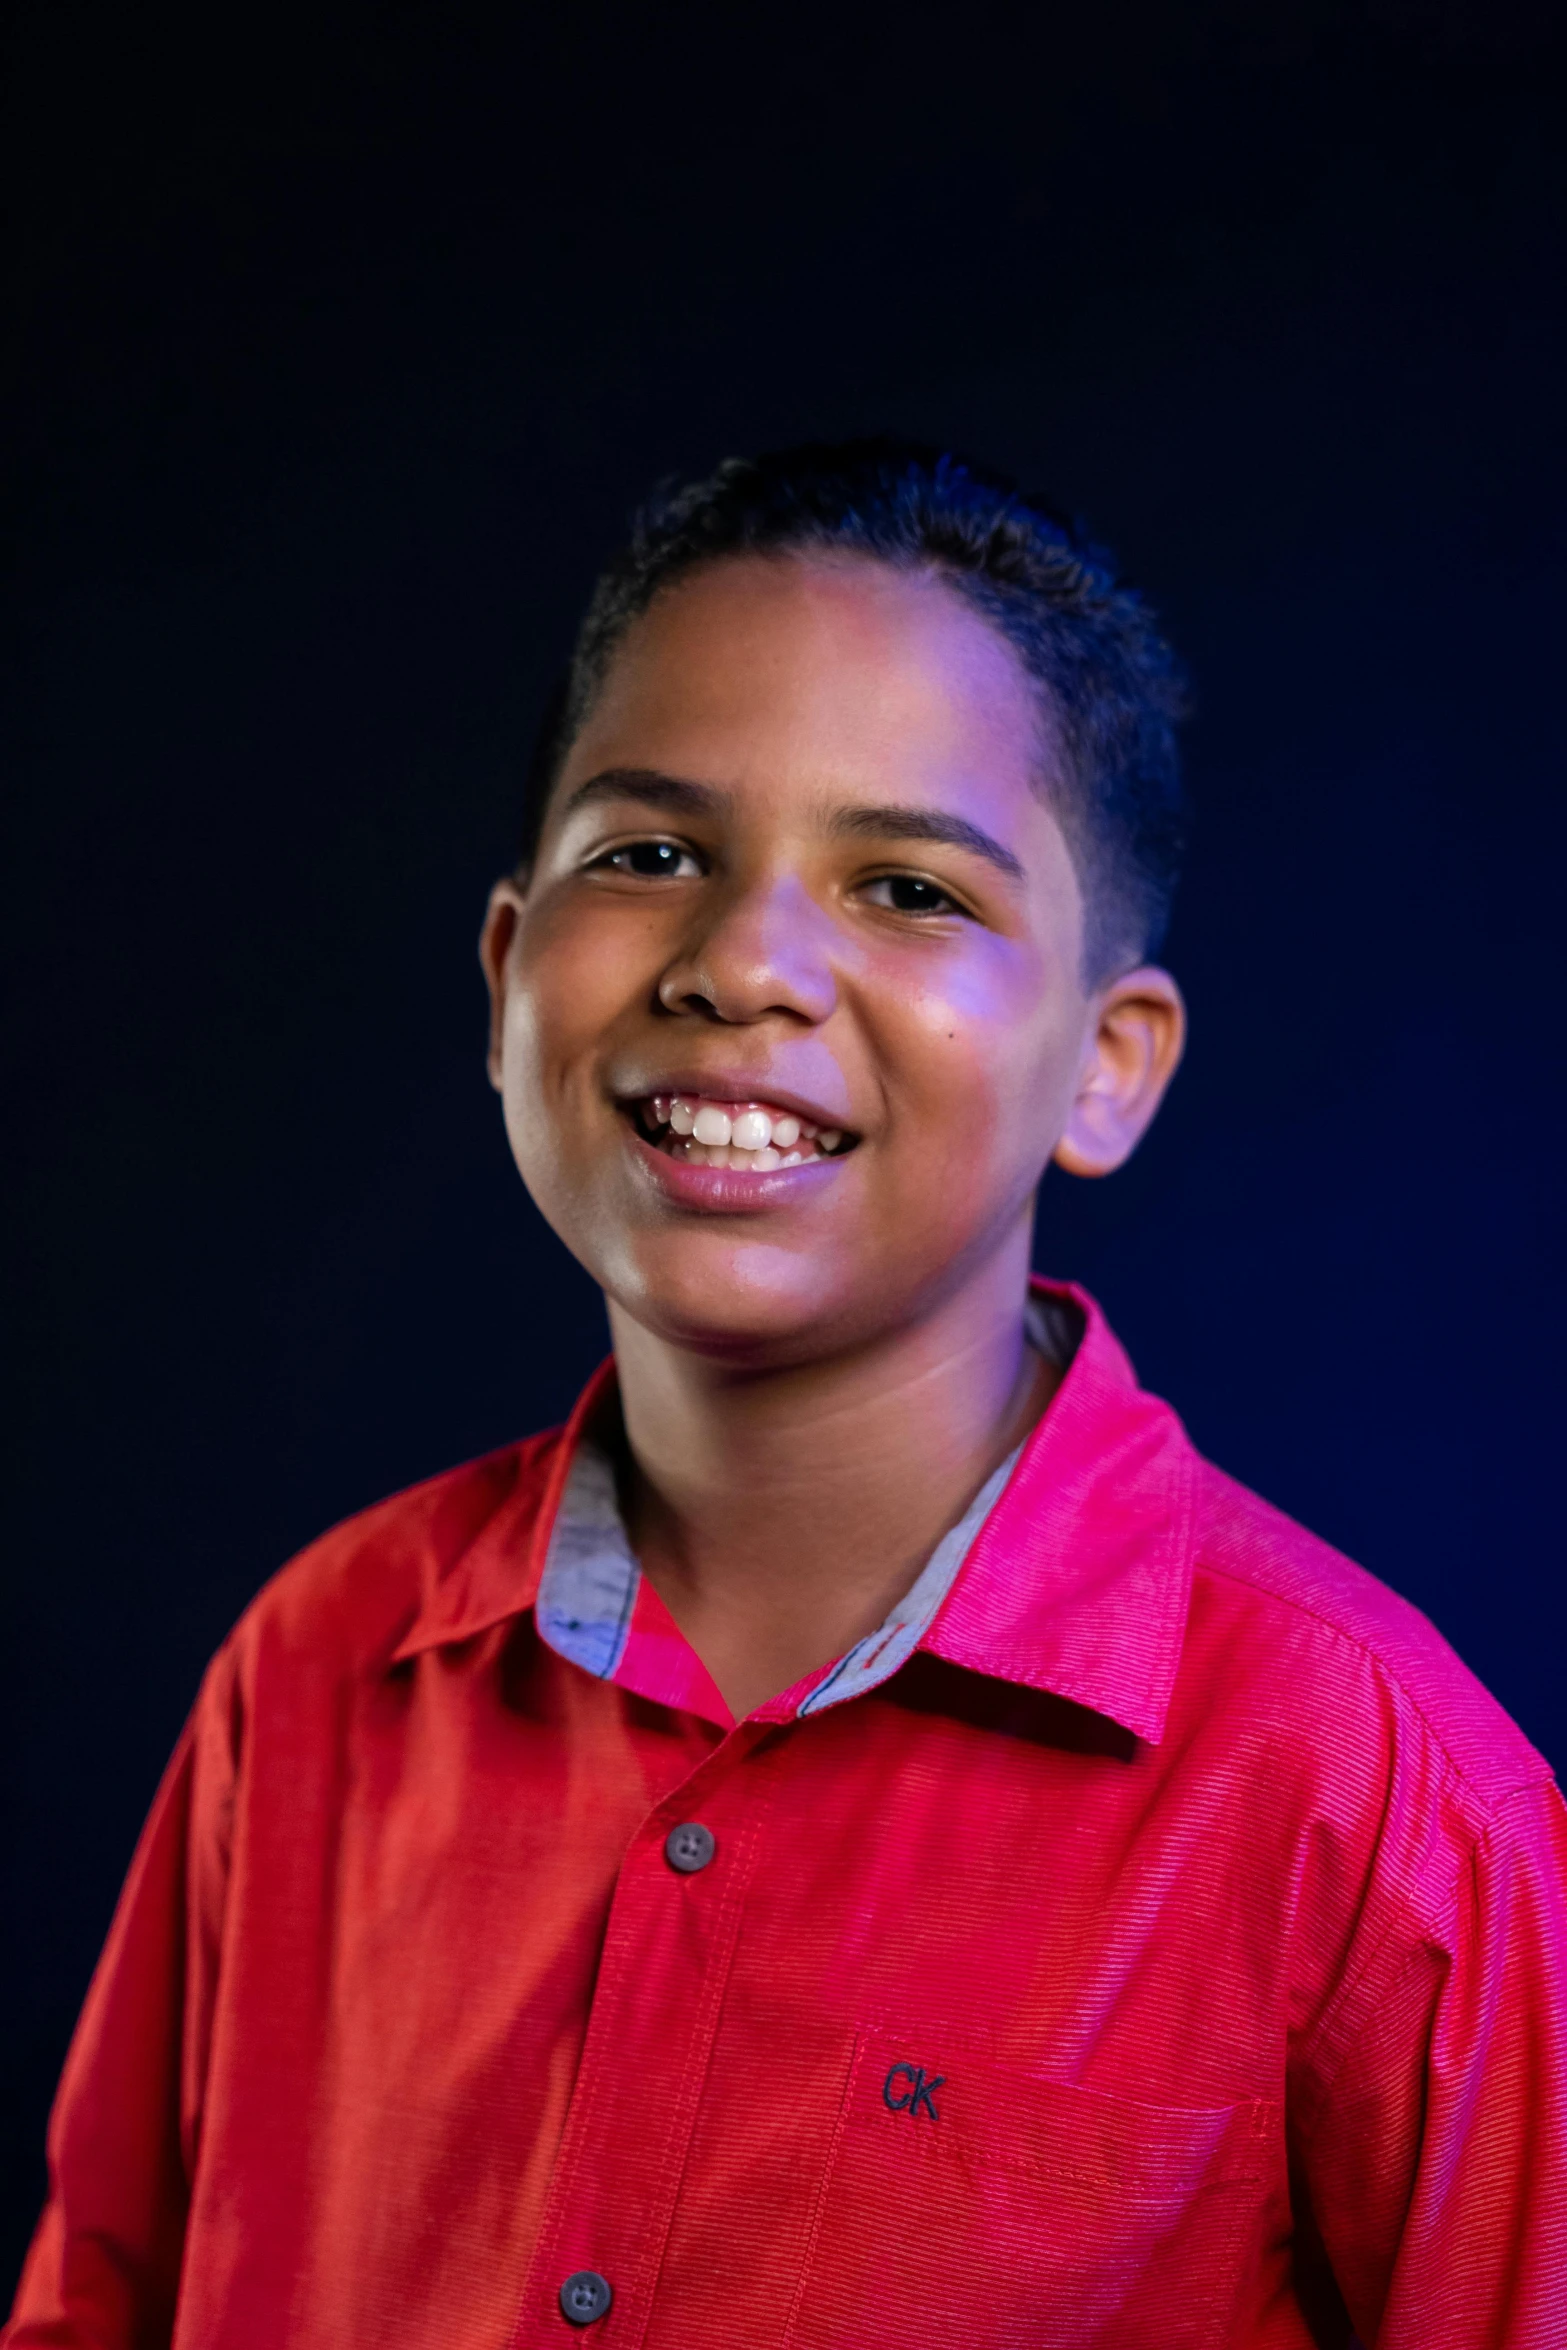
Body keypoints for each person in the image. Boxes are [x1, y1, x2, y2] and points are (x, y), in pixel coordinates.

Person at [8, 441, 1564, 2349]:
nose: (742, 960)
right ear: (507, 974)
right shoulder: (315, 1672)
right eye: (650, 853)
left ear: (1108, 1062)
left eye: (905, 885)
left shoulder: (1374, 1795)